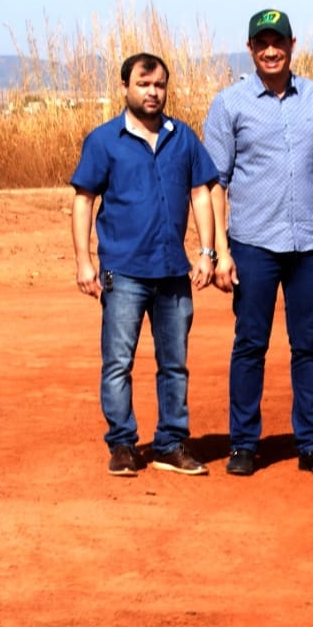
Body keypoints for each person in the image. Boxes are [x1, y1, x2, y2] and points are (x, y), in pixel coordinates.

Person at [203, 9, 313, 478]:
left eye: (278, 42)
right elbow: (214, 184)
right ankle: (244, 444)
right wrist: (219, 251)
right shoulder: (228, 105)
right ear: (250, 49)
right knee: (250, 345)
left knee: (308, 347)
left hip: (312, 244)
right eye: (261, 42)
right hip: (253, 244)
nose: (271, 50)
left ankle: (312, 444)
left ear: (292, 45)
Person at [70, 52, 218, 477]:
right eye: (143, 84)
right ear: (124, 88)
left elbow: (201, 194)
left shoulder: (183, 137)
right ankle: (122, 445)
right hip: (124, 271)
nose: (152, 92)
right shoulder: (103, 141)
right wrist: (85, 262)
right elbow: (83, 200)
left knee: (175, 363)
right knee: (118, 361)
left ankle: (172, 443)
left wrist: (206, 251)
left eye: (159, 85)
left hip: (174, 271)